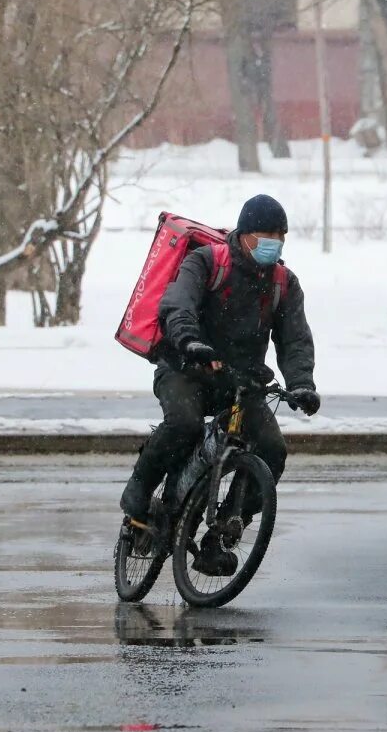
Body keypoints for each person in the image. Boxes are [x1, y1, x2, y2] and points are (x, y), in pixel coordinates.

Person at [120, 194, 321, 567]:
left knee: (272, 451)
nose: (272, 242)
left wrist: (302, 383)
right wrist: (191, 341)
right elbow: (177, 305)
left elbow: (295, 339)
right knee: (184, 423)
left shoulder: (283, 283)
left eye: (279, 235)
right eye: (265, 235)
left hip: (240, 382)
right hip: (185, 368)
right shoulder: (206, 262)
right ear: (244, 234)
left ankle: (223, 532)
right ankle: (139, 492)